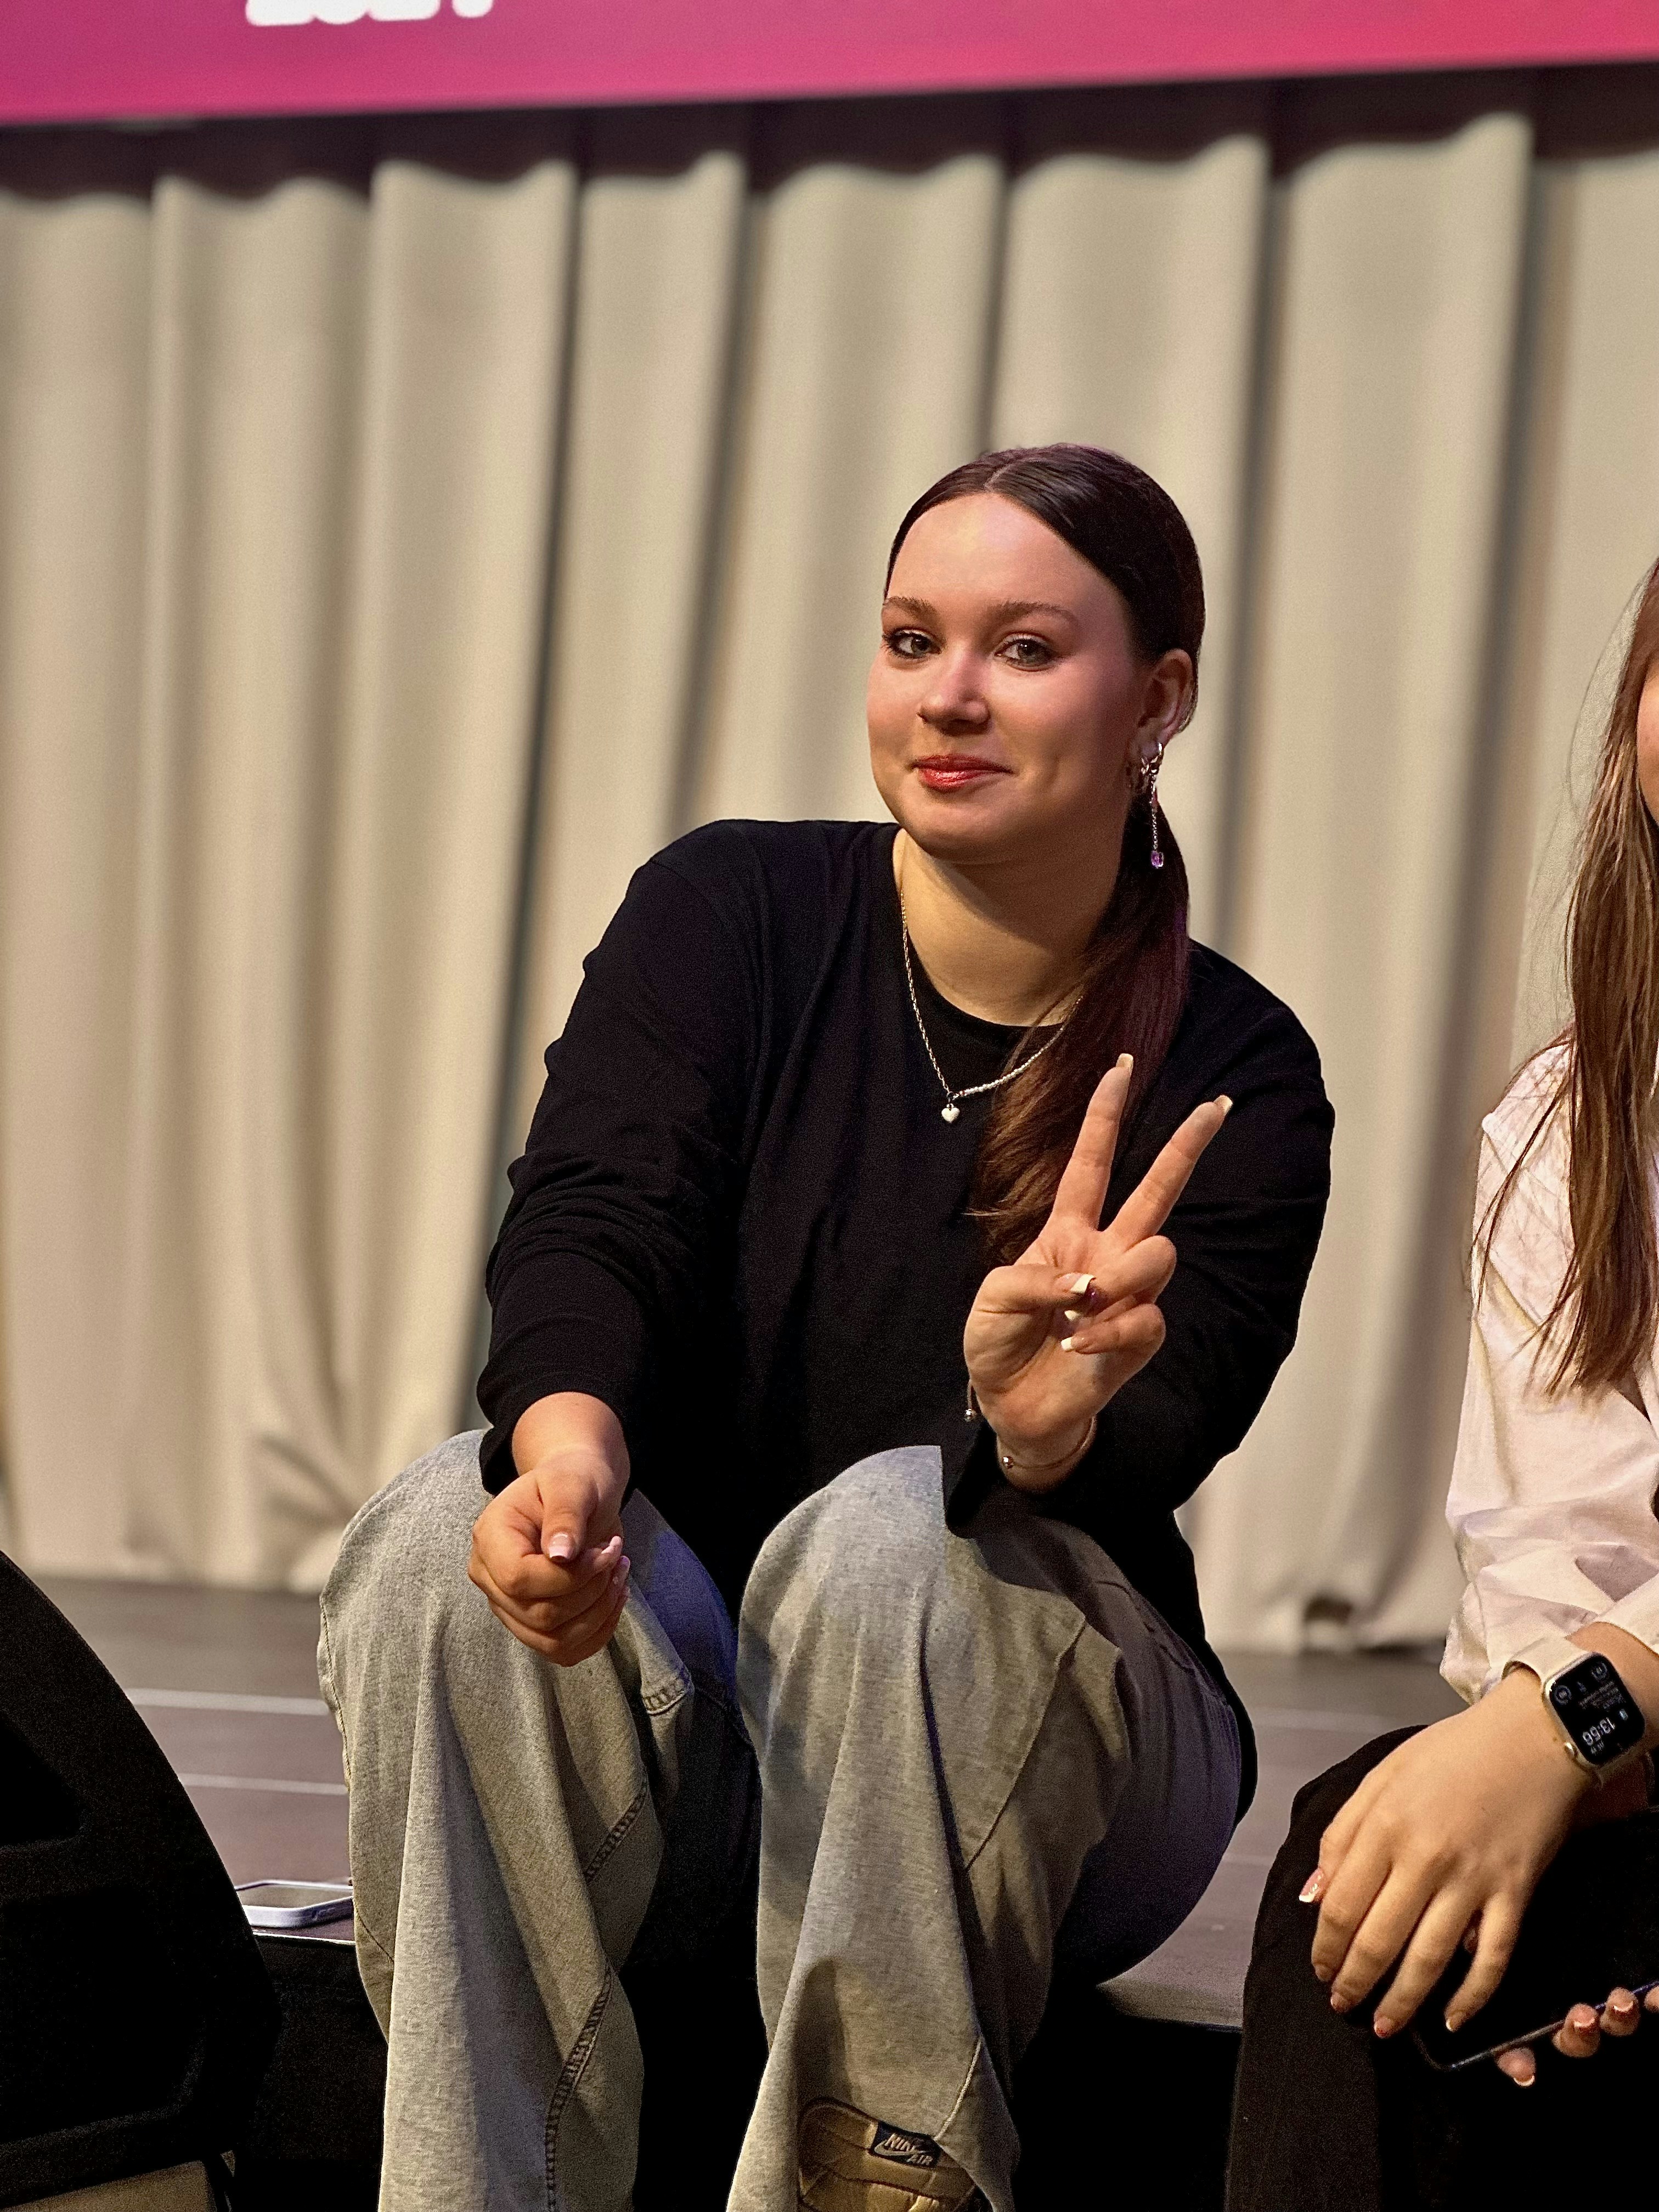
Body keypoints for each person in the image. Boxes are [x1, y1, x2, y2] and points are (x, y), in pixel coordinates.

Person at [318, 443, 1333, 2212]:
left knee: (890, 1537)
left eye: (1024, 649)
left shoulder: (1238, 1068)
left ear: (1158, 697)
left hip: (1051, 1756)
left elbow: (1170, 1432)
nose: (948, 694)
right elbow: (591, 1225)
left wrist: (1030, 1430)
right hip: (715, 1728)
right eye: (908, 637)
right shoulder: (730, 913)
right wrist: (563, 1464)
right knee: (439, 1531)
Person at [1227, 557, 1659, 2211]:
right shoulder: (1579, 1122)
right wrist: (1566, 1730)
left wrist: (1588, 1701)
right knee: (1372, 1859)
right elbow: (1563, 1558)